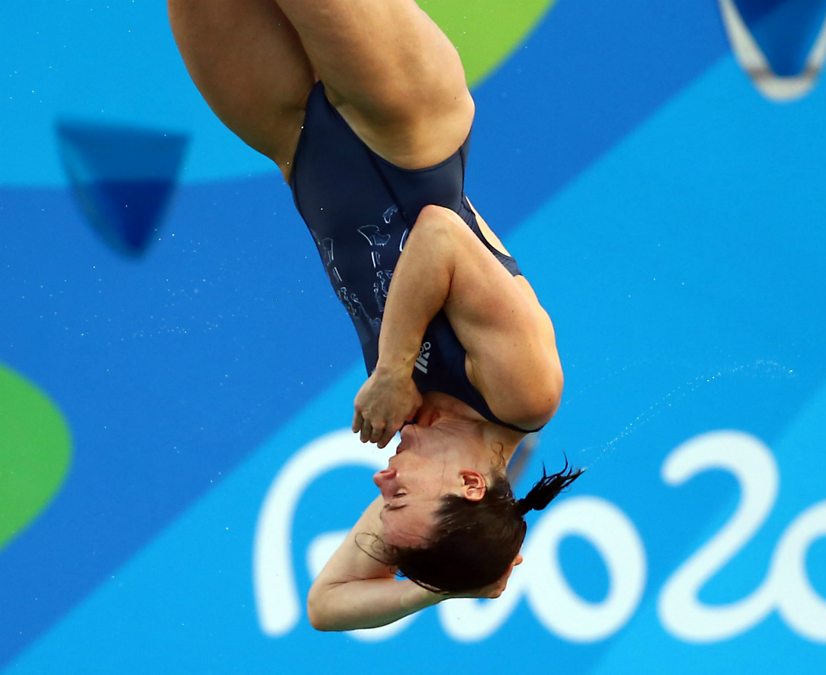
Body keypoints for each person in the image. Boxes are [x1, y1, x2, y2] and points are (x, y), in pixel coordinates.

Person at [169, 0, 580, 631]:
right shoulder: (524, 394)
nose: (382, 477)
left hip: (299, 149)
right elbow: (440, 234)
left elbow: (326, 607)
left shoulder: (429, 459)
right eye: (399, 493)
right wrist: (392, 369)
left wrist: (450, 583)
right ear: (472, 484)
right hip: (407, 124)